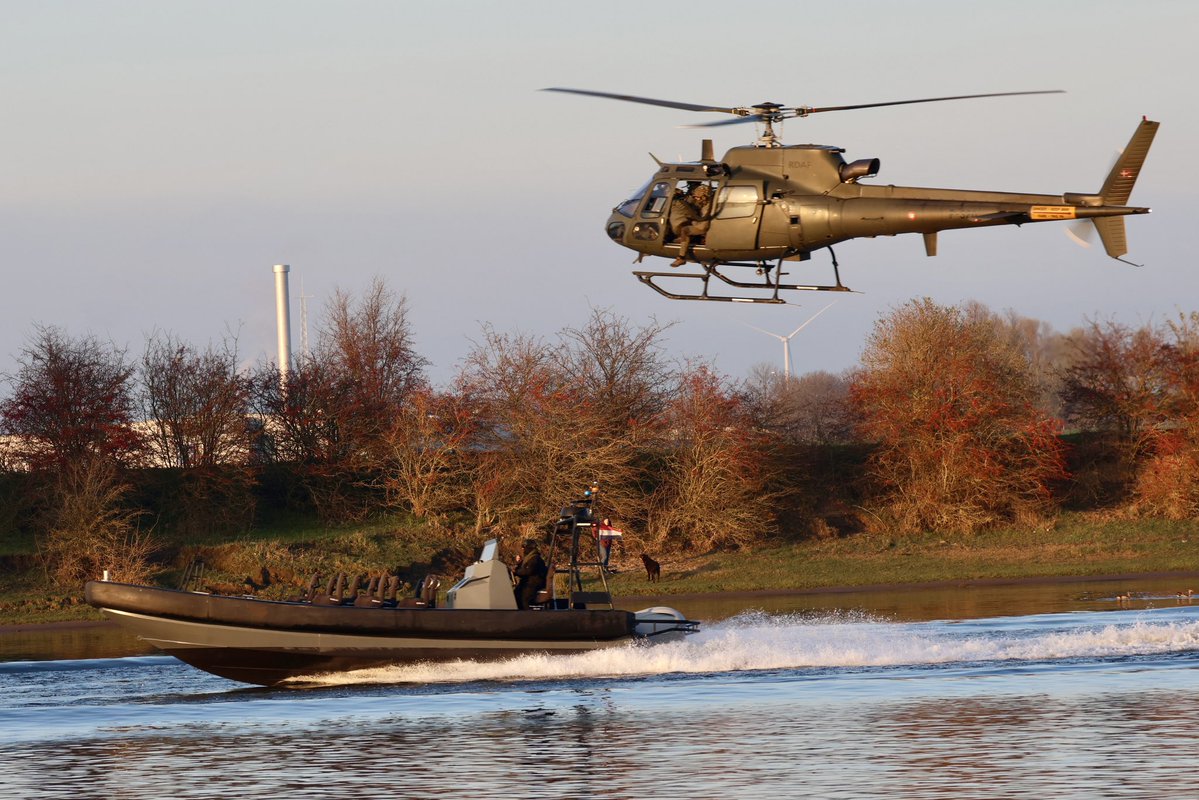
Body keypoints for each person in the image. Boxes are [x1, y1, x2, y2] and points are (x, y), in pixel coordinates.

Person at [669, 183, 712, 267]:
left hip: (703, 227)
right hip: (703, 226)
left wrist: (692, 221)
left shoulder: (708, 207)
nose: (696, 199)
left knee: (685, 230)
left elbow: (703, 226)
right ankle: (684, 241)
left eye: (697, 197)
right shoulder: (705, 203)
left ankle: (681, 257)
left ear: (704, 197)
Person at [513, 538, 548, 609]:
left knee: (522, 597)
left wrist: (516, 572)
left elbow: (527, 571)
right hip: (528, 583)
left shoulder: (535, 558)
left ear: (529, 548)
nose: (522, 550)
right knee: (515, 593)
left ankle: (526, 615)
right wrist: (518, 565)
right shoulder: (529, 558)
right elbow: (523, 569)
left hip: (534, 584)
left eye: (524, 547)